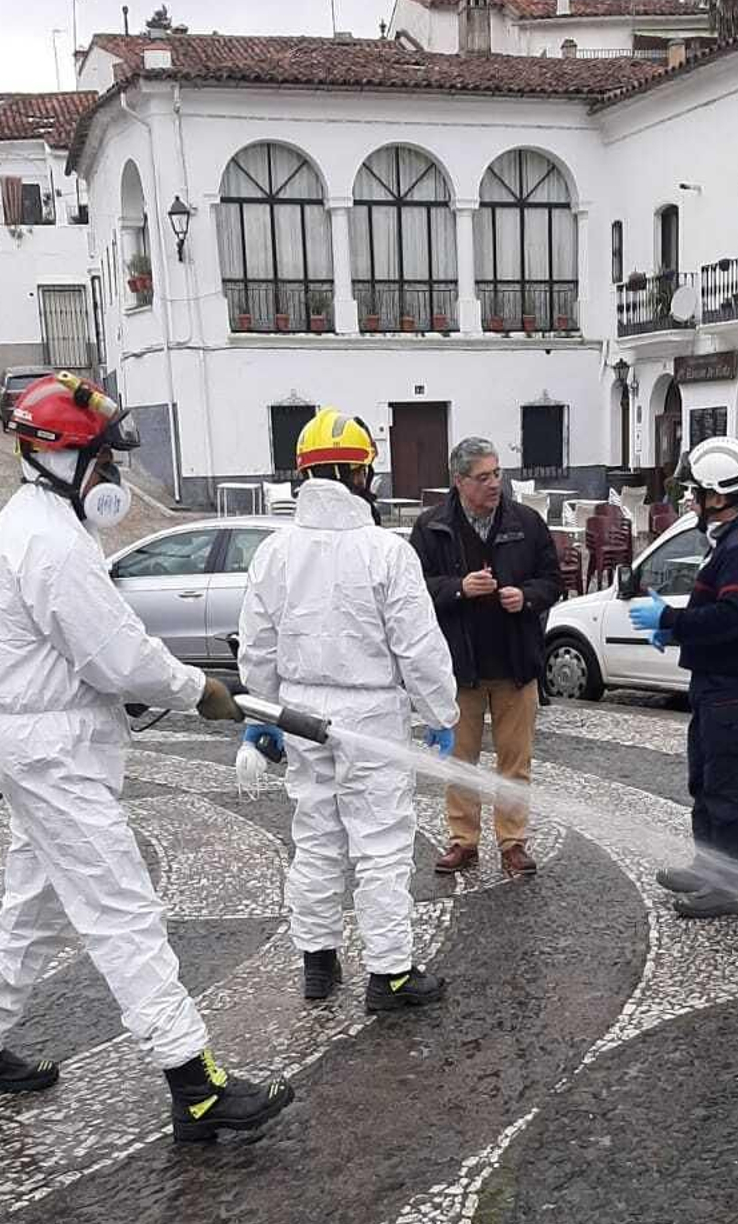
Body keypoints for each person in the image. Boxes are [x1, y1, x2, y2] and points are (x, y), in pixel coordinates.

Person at [0, 372, 292, 1148]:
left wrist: (139, 687)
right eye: (104, 462)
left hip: (40, 740)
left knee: (35, 901)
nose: (113, 480)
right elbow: (119, 656)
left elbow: (83, 655)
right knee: (122, 909)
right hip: (54, 752)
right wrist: (197, 687)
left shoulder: (21, 526)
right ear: (63, 458)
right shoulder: (55, 544)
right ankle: (193, 1082)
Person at [236, 407, 459, 1012]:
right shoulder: (385, 553)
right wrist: (441, 713)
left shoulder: (274, 553)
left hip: (303, 715)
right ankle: (388, 974)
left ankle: (318, 961)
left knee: (315, 840)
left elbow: (256, 645)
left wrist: (263, 717)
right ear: (363, 475)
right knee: (381, 845)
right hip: (371, 720)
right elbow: (417, 645)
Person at [628, 432, 738, 920]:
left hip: (733, 686)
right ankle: (709, 867)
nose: (689, 501)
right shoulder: (729, 543)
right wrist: (673, 629)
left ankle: (731, 888)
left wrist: (670, 623)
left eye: (695, 492)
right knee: (705, 781)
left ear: (719, 496)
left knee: (727, 788)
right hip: (717, 682)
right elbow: (715, 614)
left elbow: (732, 619)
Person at [411, 438, 562, 879]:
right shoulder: (431, 527)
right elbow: (414, 589)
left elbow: (553, 581)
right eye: (483, 477)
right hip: (461, 668)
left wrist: (528, 597)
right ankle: (463, 841)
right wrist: (459, 588)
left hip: (516, 664)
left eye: (497, 473)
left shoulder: (527, 522)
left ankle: (513, 841)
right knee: (461, 761)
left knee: (516, 761)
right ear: (459, 481)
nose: (495, 483)